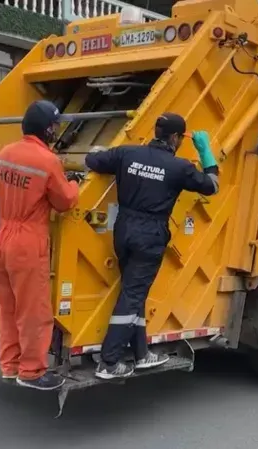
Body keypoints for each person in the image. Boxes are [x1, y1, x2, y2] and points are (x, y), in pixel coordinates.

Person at [84, 112, 220, 379]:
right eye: (181, 137)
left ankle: (141, 353)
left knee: (135, 291)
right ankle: (109, 362)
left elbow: (92, 160)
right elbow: (212, 187)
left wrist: (99, 150)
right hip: (150, 233)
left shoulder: (127, 154)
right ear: (175, 137)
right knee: (133, 295)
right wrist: (206, 154)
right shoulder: (179, 167)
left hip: (123, 229)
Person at [0, 100, 80, 391]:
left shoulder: (5, 153)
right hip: (28, 241)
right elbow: (64, 201)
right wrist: (76, 184)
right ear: (47, 128)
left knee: (9, 306)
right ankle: (31, 372)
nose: (56, 130)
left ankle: (10, 365)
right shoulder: (47, 161)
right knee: (34, 311)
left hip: (3, 234)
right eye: (54, 126)